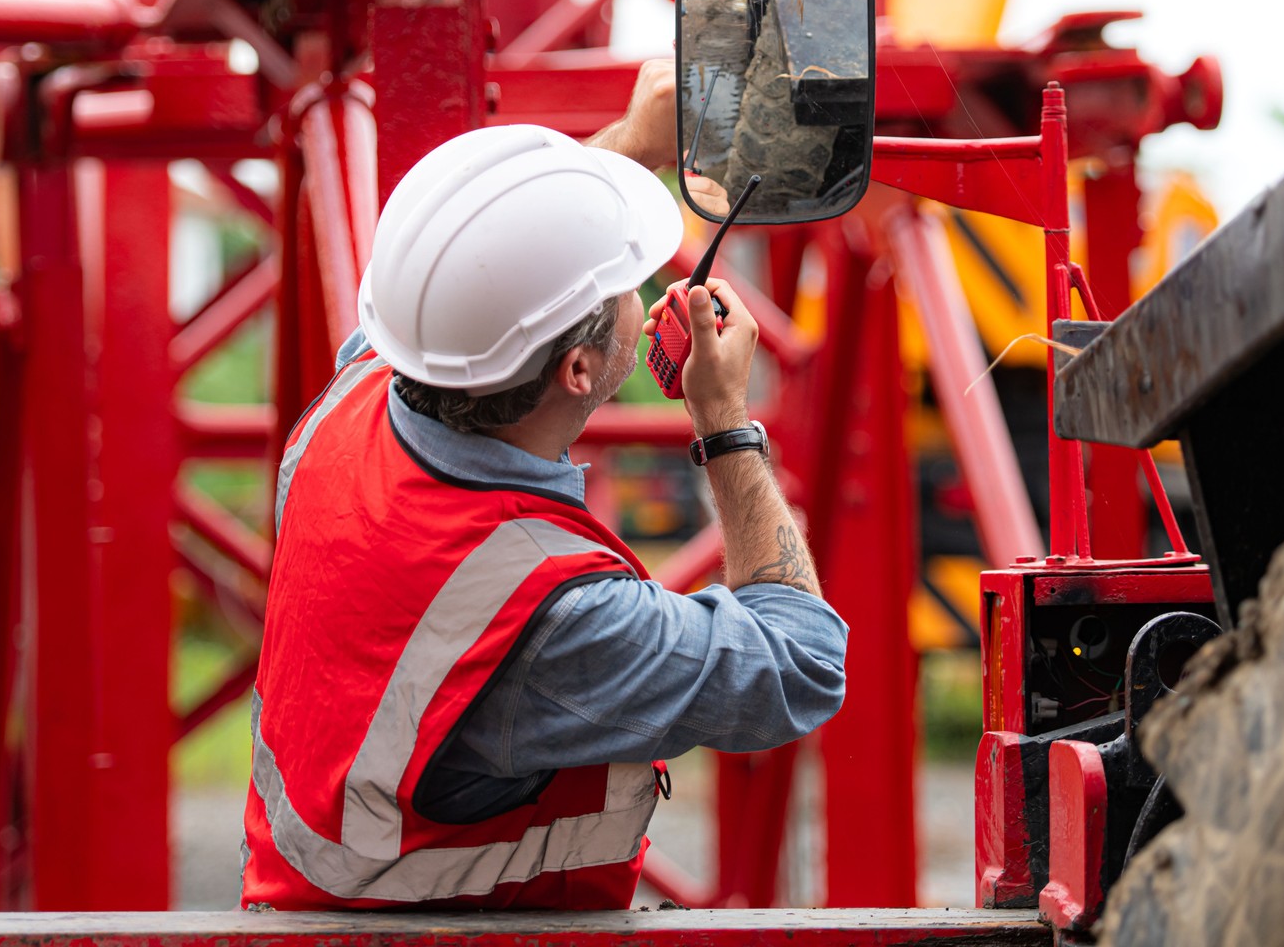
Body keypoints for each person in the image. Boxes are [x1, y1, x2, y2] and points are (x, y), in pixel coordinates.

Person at [241, 61, 847, 911]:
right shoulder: (550, 618)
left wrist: (632, 145)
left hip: (305, 906)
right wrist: (725, 423)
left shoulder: (359, 396)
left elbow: (480, 281)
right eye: (625, 285)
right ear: (579, 370)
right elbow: (803, 665)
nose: (645, 287)